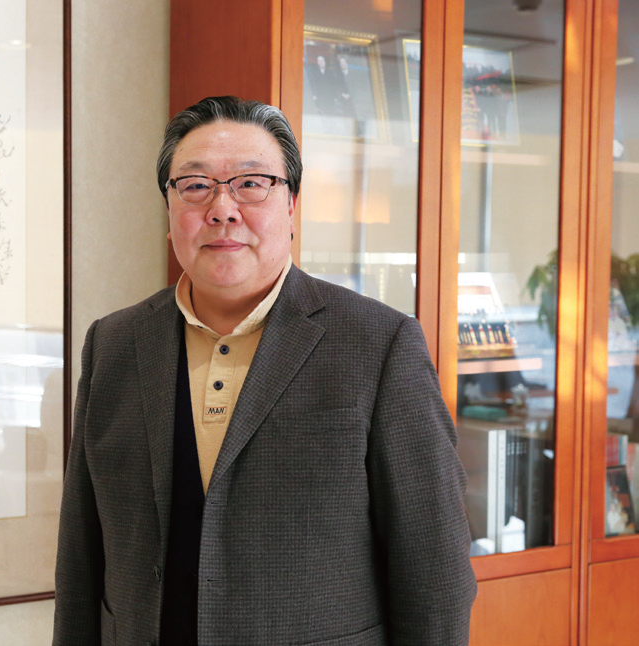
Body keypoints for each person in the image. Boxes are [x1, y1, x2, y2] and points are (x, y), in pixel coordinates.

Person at [54, 95, 476, 645]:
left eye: (252, 183)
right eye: (196, 185)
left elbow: (435, 571)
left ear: (292, 205)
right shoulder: (112, 343)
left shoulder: (378, 344)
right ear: (169, 210)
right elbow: (80, 558)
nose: (222, 209)